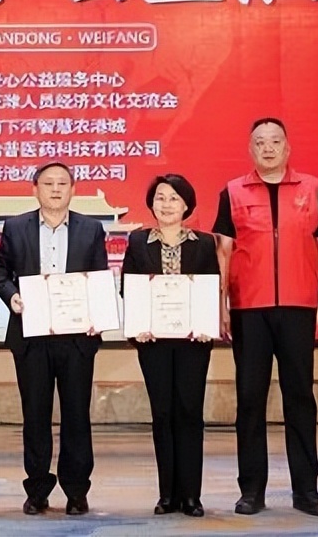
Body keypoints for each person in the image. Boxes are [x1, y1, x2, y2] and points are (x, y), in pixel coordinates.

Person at [212, 118, 318, 518]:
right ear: (250, 149)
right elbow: (223, 253)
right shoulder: (233, 192)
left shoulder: (312, 188)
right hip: (249, 309)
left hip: (298, 307)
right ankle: (251, 490)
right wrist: (221, 305)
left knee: (300, 397)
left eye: (275, 141)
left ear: (287, 147)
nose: (268, 148)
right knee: (250, 399)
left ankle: (307, 491)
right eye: (260, 142)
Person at [0, 161, 109, 517]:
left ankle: (76, 491)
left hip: (76, 338)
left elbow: (99, 278)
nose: (56, 189)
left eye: (62, 183)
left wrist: (98, 317)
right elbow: (0, 271)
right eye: (48, 183)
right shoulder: (16, 227)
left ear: (73, 189)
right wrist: (12, 296)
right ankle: (37, 489)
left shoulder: (91, 229)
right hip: (31, 336)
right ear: (35, 189)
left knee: (76, 415)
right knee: (35, 415)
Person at [120, 173, 220, 518]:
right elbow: (129, 288)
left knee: (190, 413)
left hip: (193, 342)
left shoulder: (204, 244)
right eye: (160, 198)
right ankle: (167, 495)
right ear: (151, 204)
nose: (166, 204)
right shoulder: (138, 242)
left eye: (174, 198)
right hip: (154, 342)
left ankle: (191, 495)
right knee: (162, 414)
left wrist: (207, 324)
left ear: (187, 205)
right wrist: (138, 326)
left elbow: (211, 287)